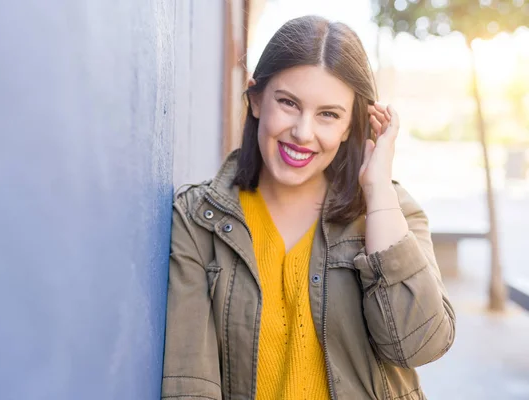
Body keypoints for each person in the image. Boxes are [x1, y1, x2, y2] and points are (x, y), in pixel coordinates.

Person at [162, 15, 455, 400]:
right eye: (288, 103)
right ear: (255, 101)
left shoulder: (393, 212)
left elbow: (420, 345)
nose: (303, 132)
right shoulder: (199, 219)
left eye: (328, 115)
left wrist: (378, 192)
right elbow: (190, 384)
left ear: (352, 127)